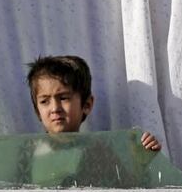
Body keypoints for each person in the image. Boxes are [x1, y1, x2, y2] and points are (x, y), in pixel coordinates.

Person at [26, 55, 162, 150]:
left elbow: (124, 186)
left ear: (86, 105)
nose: (55, 108)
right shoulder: (27, 154)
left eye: (63, 98)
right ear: (37, 110)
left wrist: (141, 158)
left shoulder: (98, 152)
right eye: (44, 101)